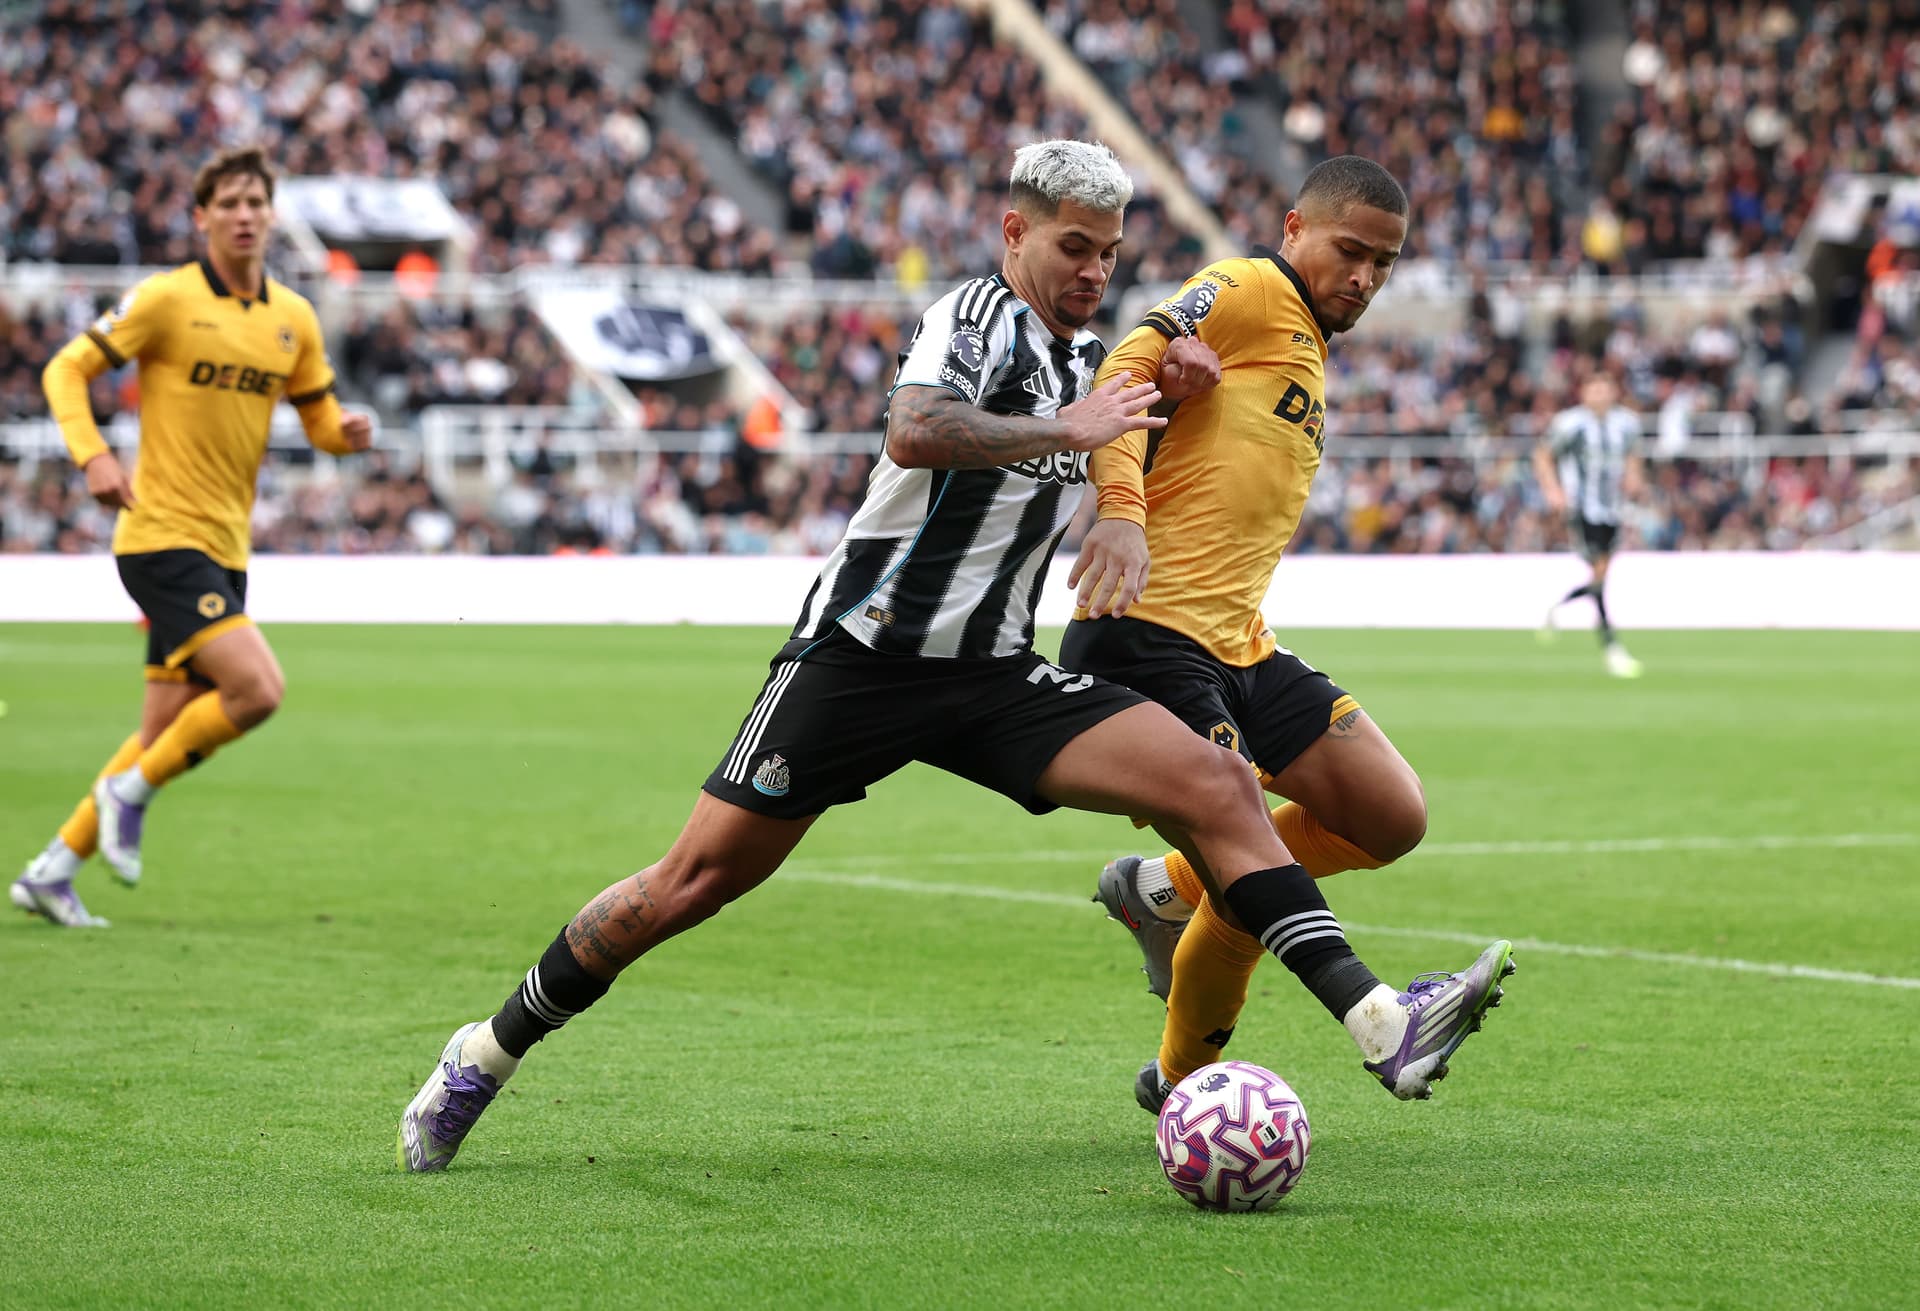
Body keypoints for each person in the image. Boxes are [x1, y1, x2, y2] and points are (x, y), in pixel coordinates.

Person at [397, 140, 1512, 1172]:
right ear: (1014, 232)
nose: (1092, 271)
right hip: (861, 661)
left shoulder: (1079, 357)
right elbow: (917, 429)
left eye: (1110, 254)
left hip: (992, 673)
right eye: (1073, 247)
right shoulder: (973, 315)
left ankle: (1380, 1024)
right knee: (686, 886)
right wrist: (1067, 431)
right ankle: (482, 1055)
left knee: (1218, 784)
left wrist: (1156, 414)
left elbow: (1130, 423)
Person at [1061, 155, 1512, 1112]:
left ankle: (1161, 888)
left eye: (1383, 265)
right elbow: (1125, 365)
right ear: (1295, 225)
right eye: (1350, 251)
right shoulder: (1256, 288)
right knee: (1248, 870)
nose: (1365, 278)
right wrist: (1121, 512)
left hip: (1242, 648)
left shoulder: (1302, 339)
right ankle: (1199, 1083)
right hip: (1145, 636)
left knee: (1391, 814)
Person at [10, 146, 372, 928]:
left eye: (256, 202)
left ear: (272, 215)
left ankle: (51, 870)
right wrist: (94, 455)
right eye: (229, 203)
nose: (244, 215)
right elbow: (64, 371)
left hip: (226, 546)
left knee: (161, 729)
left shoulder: (293, 319)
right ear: (201, 217)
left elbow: (318, 424)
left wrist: (346, 434)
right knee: (258, 690)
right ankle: (126, 793)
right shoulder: (167, 299)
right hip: (159, 534)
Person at [1534, 372, 1645, 677]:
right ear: (1583, 393)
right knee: (1599, 574)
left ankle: (1558, 607)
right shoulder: (1571, 424)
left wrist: (1634, 477)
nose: (1599, 395)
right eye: (1593, 390)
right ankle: (1612, 648)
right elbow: (1543, 455)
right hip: (1583, 508)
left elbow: (1633, 455)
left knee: (1600, 576)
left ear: (1613, 392)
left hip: (1613, 510)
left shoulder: (1626, 424)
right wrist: (1553, 491)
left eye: (1604, 389)